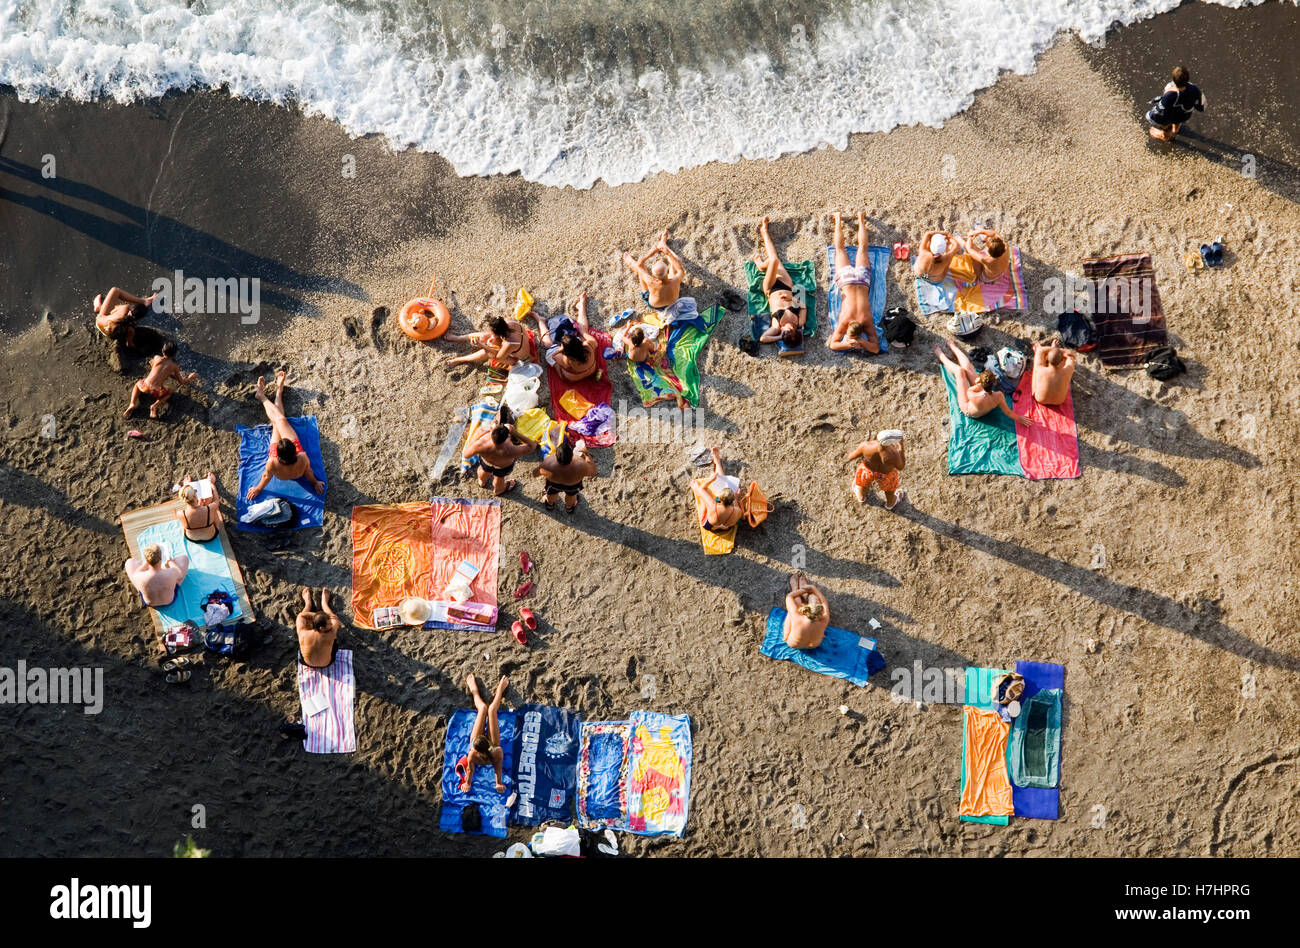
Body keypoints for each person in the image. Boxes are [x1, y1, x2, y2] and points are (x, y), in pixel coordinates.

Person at [245, 372, 326, 502]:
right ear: (294, 449)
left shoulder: (272, 463)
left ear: (277, 453)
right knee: (280, 420)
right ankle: (276, 392)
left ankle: (263, 396)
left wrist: (258, 489)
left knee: (279, 421)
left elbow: (266, 476)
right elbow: (308, 473)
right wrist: (315, 483)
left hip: (281, 469)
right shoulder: (302, 458)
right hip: (295, 468)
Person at [934, 340, 1034, 426]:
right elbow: (1008, 412)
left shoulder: (973, 394)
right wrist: (1019, 418)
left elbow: (969, 391)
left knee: (960, 372)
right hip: (982, 400)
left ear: (979, 381)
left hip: (969, 408)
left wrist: (977, 385)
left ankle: (941, 356)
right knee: (968, 368)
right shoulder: (999, 395)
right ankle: (953, 347)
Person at [827, 211, 881, 354]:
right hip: (847, 281)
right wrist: (860, 343)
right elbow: (833, 344)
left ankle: (860, 218)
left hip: (862, 280)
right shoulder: (848, 321)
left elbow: (833, 345)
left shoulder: (865, 321)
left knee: (862, 249)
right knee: (840, 250)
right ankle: (838, 218)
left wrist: (853, 344)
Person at [753, 216, 807, 347]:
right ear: (796, 331)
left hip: (770, 289)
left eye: (785, 332)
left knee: (774, 261)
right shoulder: (800, 321)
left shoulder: (777, 326)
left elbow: (763, 338)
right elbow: (802, 300)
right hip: (787, 285)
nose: (787, 328)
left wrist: (778, 336)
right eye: (790, 330)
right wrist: (791, 299)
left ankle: (762, 264)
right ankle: (764, 232)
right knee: (774, 258)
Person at [532, 291, 600, 383]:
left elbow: (554, 355)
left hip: (569, 378)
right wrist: (582, 333)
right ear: (580, 343)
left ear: (565, 352)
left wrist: (561, 349)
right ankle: (581, 306)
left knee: (549, 346)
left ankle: (540, 321)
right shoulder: (589, 345)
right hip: (591, 371)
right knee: (584, 331)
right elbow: (585, 334)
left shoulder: (566, 361)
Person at [123, 340, 198, 419]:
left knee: (138, 383)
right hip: (156, 392)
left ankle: (132, 403)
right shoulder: (174, 366)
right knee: (170, 392)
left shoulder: (157, 357)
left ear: (162, 351)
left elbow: (152, 364)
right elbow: (181, 382)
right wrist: (190, 378)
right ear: (175, 354)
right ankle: (155, 406)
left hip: (144, 387)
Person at [464, 418, 538, 496]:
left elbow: (466, 454)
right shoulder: (511, 450)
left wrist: (480, 435)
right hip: (502, 467)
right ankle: (499, 490)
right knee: (499, 478)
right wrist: (514, 433)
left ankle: (482, 482)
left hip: (486, 461)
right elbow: (532, 446)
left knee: (483, 470)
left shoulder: (481, 444)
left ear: (492, 432)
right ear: (507, 437)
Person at [461, 673, 509, 793]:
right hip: (492, 747)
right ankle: (500, 689)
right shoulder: (497, 751)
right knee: (491, 710)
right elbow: (498, 768)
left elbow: (470, 771)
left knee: (483, 708)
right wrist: (498, 783)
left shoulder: (472, 754)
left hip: (486, 748)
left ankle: (475, 690)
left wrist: (468, 784)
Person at [622, 230, 685, 309]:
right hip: (672, 302)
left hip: (655, 305)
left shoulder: (650, 280)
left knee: (641, 272)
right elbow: (679, 267)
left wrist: (650, 254)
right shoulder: (675, 280)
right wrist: (668, 253)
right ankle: (663, 245)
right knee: (676, 261)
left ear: (653, 275)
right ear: (667, 272)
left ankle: (630, 262)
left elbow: (639, 265)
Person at [534, 437, 597, 514]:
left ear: (556, 455)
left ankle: (550, 504)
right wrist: (586, 454)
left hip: (554, 484)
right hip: (573, 485)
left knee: (551, 493)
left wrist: (544, 470)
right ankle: (569, 508)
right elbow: (593, 472)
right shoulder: (580, 464)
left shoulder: (548, 463)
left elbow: (535, 474)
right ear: (572, 455)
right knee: (571, 496)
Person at [445, 314, 533, 370]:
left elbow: (498, 357)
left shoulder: (509, 344)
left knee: (487, 353)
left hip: (520, 359)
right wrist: (492, 338)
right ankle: (457, 338)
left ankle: (459, 360)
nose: (491, 332)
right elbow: (498, 334)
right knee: (484, 336)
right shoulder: (508, 321)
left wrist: (484, 345)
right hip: (519, 342)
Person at [847, 430, 906, 510]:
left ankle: (860, 496)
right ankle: (890, 503)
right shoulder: (893, 454)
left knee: (862, 483)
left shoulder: (865, 446)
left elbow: (851, 457)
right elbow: (901, 467)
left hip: (867, 470)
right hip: (886, 475)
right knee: (889, 491)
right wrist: (901, 448)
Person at [690, 447, 743, 533]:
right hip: (728, 527)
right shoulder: (737, 511)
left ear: (719, 499)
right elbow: (735, 504)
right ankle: (717, 462)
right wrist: (736, 497)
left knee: (706, 495)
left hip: (710, 526)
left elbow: (702, 488)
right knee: (722, 486)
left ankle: (717, 462)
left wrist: (711, 479)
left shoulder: (713, 505)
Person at [1147, 65, 1206, 142]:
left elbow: (1163, 108)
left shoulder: (1169, 92)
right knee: (1178, 119)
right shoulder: (1195, 89)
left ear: (1174, 80)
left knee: (1166, 120)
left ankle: (1165, 134)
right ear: (1188, 79)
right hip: (1185, 115)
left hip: (1171, 115)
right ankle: (1175, 131)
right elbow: (1201, 105)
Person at [125, 543, 189, 607]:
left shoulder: (140, 575)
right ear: (161, 558)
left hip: (149, 602)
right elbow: (180, 574)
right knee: (184, 558)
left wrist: (147, 563)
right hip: (169, 601)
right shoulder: (171, 572)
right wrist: (170, 562)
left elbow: (135, 573)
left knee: (129, 562)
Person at [296, 587, 340, 668]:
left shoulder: (303, 632)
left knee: (303, 641)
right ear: (322, 628)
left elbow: (301, 616)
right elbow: (334, 617)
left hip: (307, 663)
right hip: (327, 663)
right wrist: (324, 604)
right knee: (335, 643)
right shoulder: (331, 634)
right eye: (329, 624)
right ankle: (324, 602)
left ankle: (308, 603)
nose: (331, 624)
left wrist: (315, 615)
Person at [783, 573, 830, 649]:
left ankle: (795, 588)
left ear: (806, 610)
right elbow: (824, 602)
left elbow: (789, 597)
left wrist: (800, 590)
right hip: (814, 645)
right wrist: (813, 588)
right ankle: (806, 594)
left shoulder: (797, 617)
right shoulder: (825, 618)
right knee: (813, 597)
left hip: (794, 644)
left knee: (795, 604)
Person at [175, 471, 222, 543]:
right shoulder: (209, 508)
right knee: (214, 510)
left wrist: (186, 485)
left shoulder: (180, 513)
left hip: (191, 538)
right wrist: (212, 484)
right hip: (210, 536)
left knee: (186, 521)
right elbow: (216, 500)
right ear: (195, 496)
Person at [1032, 338, 1076, 407]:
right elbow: (1072, 355)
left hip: (1040, 399)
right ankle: (1056, 357)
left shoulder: (1040, 369)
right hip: (1059, 401)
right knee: (1066, 361)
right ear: (1061, 362)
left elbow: (1039, 350)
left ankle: (1052, 356)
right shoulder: (1068, 370)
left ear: (1048, 359)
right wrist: (1060, 351)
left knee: (1035, 371)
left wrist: (1052, 349)